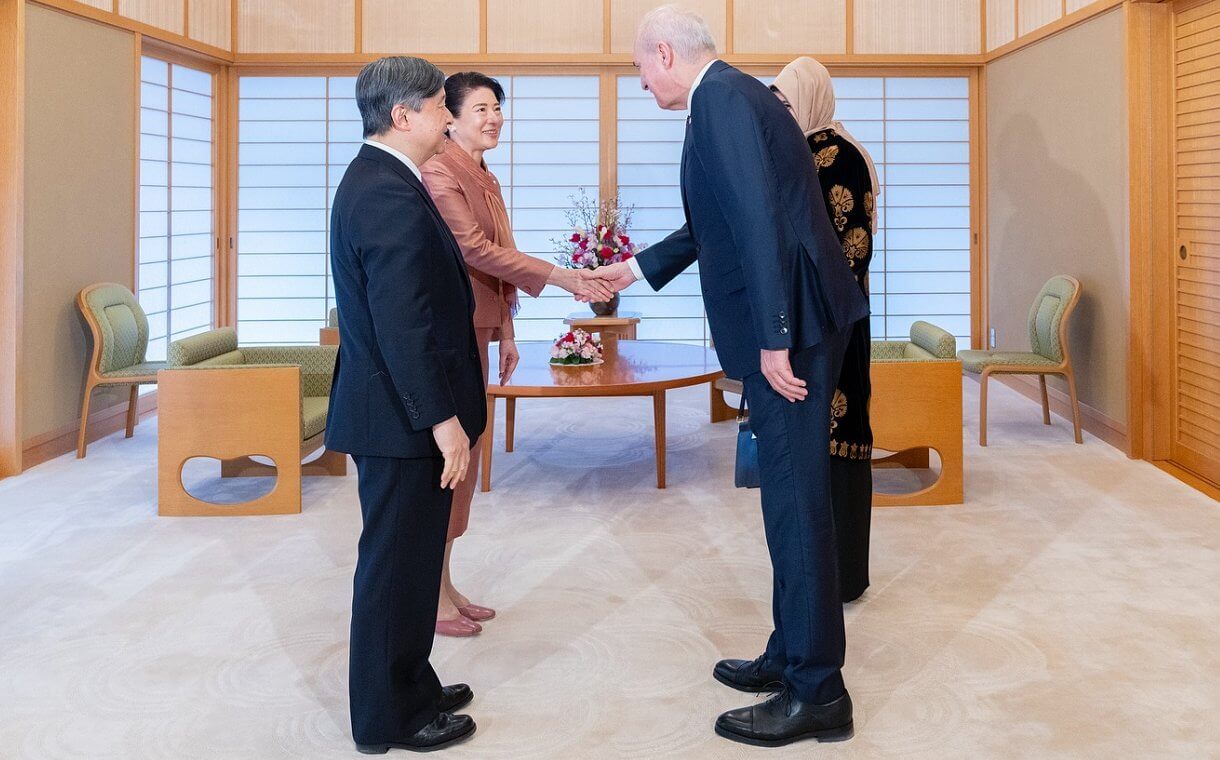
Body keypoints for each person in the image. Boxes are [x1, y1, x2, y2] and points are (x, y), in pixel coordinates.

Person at [592, 5, 869, 748]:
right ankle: (791, 651)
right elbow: (718, 221)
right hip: (805, 318)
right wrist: (637, 267)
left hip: (796, 328)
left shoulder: (722, 100)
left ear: (662, 52)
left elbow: (759, 223)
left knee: (794, 498)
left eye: (639, 67)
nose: (640, 81)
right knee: (785, 494)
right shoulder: (733, 96)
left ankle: (818, 692)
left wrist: (775, 339)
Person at [325, 56, 483, 754]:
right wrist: (442, 420)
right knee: (393, 567)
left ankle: (410, 683)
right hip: (398, 417)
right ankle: (387, 717)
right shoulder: (384, 192)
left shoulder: (389, 179)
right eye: (439, 106)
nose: (448, 116)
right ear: (403, 116)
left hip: (398, 410)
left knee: (415, 560)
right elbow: (403, 324)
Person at [421, 72, 615, 637]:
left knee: (470, 455)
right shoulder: (439, 172)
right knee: (450, 456)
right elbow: (471, 249)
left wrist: (506, 330)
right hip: (450, 332)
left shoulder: (485, 175)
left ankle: (445, 584)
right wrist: (563, 276)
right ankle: (430, 596)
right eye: (480, 108)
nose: (494, 117)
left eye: (498, 108)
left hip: (480, 330)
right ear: (449, 117)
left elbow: (499, 257)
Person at [772, 57, 877, 603]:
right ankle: (823, 572)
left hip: (832, 322)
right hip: (814, 321)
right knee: (814, 447)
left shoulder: (839, 157)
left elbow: (845, 251)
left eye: (788, 104)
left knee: (838, 444)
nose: (783, 114)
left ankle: (840, 576)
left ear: (811, 101)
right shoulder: (810, 150)